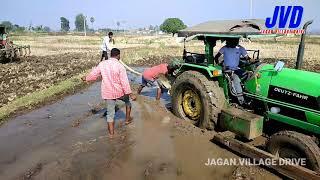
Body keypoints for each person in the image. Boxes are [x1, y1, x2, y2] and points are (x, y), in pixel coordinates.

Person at [82, 48, 136, 138]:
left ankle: (111, 135)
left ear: (111, 55)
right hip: (120, 92)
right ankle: (127, 120)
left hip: (108, 92)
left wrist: (86, 78)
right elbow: (124, 82)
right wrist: (130, 94)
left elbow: (94, 74)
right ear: (118, 55)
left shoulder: (102, 64)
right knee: (128, 103)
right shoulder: (120, 66)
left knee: (110, 114)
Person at [214, 38, 251, 105]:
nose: (233, 42)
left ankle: (248, 93)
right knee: (236, 79)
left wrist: (252, 60)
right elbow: (216, 57)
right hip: (228, 69)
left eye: (235, 41)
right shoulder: (224, 48)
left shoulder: (240, 48)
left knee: (249, 75)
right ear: (228, 41)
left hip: (236, 68)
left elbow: (247, 58)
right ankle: (241, 101)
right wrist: (220, 65)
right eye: (231, 41)